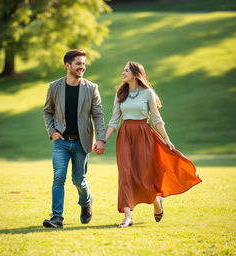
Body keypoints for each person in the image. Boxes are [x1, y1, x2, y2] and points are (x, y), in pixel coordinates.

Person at [105, 61, 202, 228]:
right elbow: (114, 120)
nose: (123, 73)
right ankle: (127, 217)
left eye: (126, 70)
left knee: (144, 175)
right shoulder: (120, 93)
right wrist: (103, 140)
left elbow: (157, 120)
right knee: (125, 173)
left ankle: (156, 200)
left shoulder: (148, 93)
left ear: (136, 73)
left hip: (144, 134)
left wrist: (167, 139)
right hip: (125, 135)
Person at [43, 49, 106, 228]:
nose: (82, 67)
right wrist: (52, 132)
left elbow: (98, 115)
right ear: (67, 65)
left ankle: (86, 202)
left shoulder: (91, 88)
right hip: (60, 142)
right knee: (58, 178)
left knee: (78, 180)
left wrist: (101, 139)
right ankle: (57, 217)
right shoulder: (54, 86)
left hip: (81, 142)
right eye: (78, 63)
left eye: (84, 64)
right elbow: (47, 111)